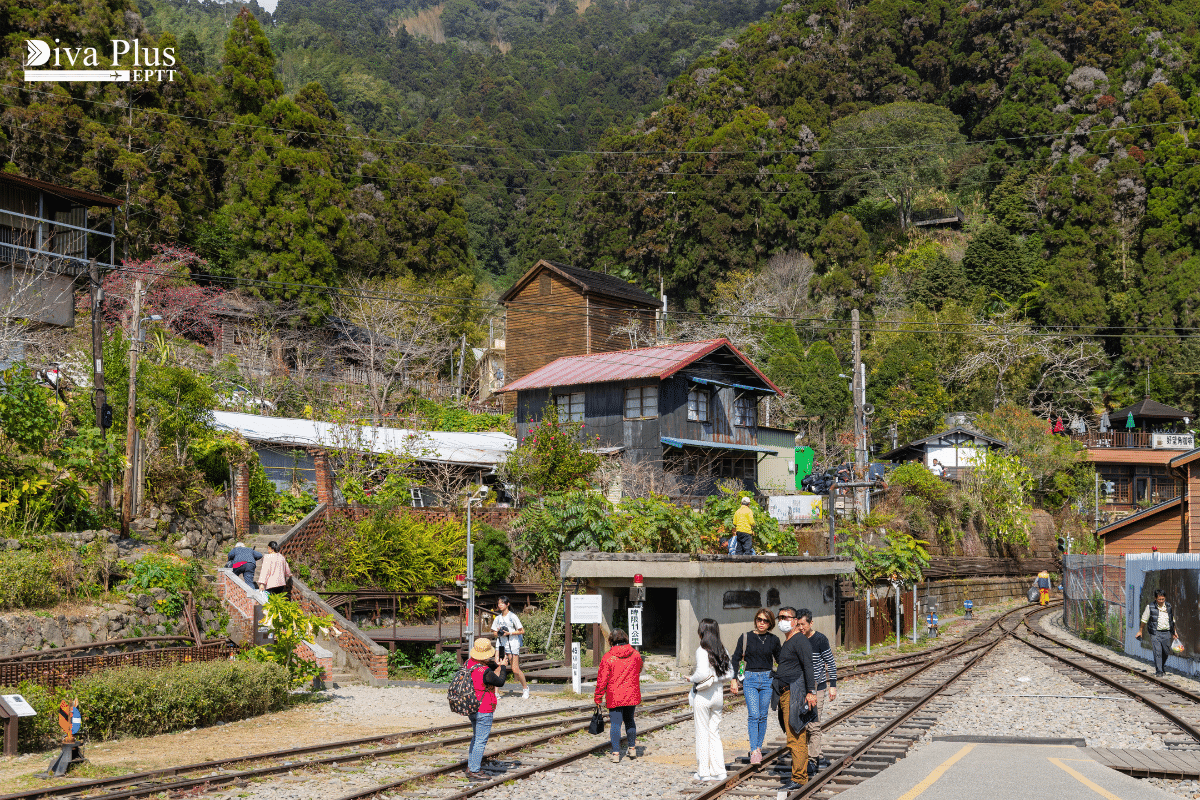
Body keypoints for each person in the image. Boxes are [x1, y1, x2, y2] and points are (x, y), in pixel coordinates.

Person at [772, 606, 817, 791]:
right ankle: (799, 773)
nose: (781, 620)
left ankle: (799, 777)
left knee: (796, 735)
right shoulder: (788, 641)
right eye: (780, 617)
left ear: (795, 620)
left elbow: (809, 666)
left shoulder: (800, 640)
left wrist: (810, 692)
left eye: (785, 617)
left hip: (795, 694)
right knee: (792, 734)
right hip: (785, 693)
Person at [729, 608, 781, 764]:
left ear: (770, 623)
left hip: (767, 679)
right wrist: (734, 679)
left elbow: (781, 660)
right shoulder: (745, 637)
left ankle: (758, 748)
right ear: (755, 620)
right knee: (754, 715)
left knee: (763, 716)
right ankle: (753, 750)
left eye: (765, 621)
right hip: (750, 679)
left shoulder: (774, 640)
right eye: (759, 619)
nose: (762, 623)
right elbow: (735, 658)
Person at [689, 618, 734, 781]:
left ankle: (704, 772)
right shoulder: (723, 650)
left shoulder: (702, 650)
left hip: (703, 695)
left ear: (702, 631)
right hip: (718, 695)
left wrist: (691, 678)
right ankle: (719, 771)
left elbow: (701, 674)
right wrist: (716, 677)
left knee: (702, 733)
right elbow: (730, 674)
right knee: (714, 733)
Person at [797, 609, 837, 776]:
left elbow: (830, 662)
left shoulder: (820, 639)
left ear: (810, 623)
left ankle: (812, 760)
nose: (800, 628)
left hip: (817, 686)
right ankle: (816, 754)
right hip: (799, 687)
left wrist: (832, 685)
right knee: (801, 725)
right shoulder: (796, 639)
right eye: (797, 624)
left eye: (803, 624)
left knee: (813, 724)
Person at [594, 628, 644, 763]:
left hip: (614, 695)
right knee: (630, 721)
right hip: (631, 694)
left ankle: (616, 754)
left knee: (615, 724)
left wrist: (598, 697)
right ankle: (632, 748)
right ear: (626, 639)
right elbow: (639, 669)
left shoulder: (608, 657)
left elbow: (602, 679)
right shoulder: (635, 654)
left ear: (611, 640)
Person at [464, 637, 509, 780]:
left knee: (476, 738)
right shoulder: (484, 671)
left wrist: (495, 664)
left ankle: (471, 766)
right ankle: (475, 771)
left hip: (471, 705)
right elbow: (500, 682)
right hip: (484, 708)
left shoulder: (469, 663)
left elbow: (487, 666)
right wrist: (503, 667)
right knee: (481, 740)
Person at [490, 596, 529, 699]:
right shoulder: (498, 618)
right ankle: (496, 693)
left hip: (512, 645)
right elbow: (494, 633)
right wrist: (498, 632)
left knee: (515, 669)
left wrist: (509, 633)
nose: (500, 605)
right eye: (499, 603)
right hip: (501, 645)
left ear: (507, 604)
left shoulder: (513, 617)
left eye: (502, 603)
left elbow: (522, 631)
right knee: (498, 668)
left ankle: (525, 688)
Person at [1136, 589, 1176, 677]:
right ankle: (1159, 671)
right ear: (1155, 598)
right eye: (1159, 599)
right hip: (1155, 632)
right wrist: (1140, 631)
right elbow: (1144, 620)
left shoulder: (1168, 606)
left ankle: (1161, 667)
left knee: (1166, 651)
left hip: (1167, 632)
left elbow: (1172, 620)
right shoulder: (1150, 606)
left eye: (1163, 599)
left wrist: (1174, 632)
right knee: (1157, 651)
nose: (1161, 601)